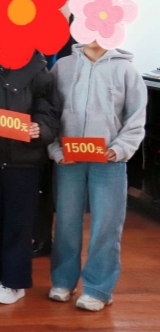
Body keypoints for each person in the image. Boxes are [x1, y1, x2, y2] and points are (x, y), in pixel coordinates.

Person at [47, 40, 146, 311]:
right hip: (69, 161)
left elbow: (136, 118)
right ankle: (63, 281)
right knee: (66, 223)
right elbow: (50, 114)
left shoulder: (126, 70)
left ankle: (98, 289)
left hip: (109, 161)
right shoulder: (62, 67)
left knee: (106, 226)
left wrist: (119, 149)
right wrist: (56, 150)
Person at [0, 47, 60, 305]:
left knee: (18, 222)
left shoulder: (38, 68)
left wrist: (40, 128)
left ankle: (14, 282)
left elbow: (49, 109)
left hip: (24, 160)